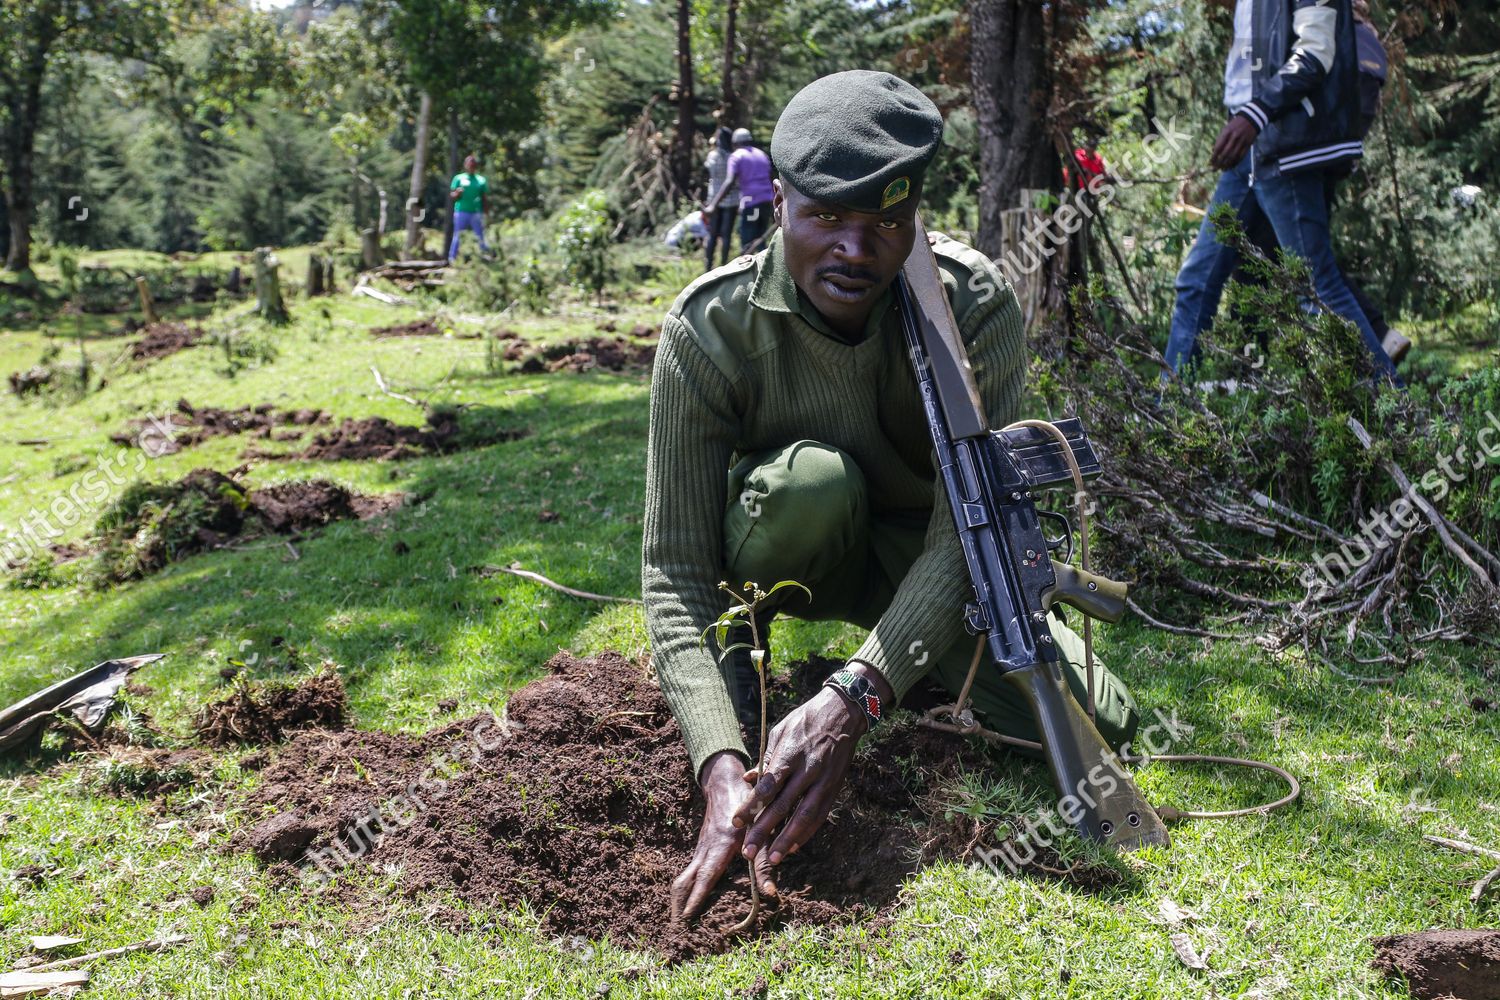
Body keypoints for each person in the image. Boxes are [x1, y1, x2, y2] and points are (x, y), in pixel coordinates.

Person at [643, 70, 1143, 921]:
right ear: (780, 205)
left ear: (914, 222)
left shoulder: (969, 302)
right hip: (797, 547)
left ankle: (881, 670)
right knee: (810, 486)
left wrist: (857, 695)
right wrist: (721, 760)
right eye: (827, 217)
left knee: (1101, 727)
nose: (855, 248)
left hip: (932, 566)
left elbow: (964, 536)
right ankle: (761, 688)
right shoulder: (710, 328)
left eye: (885, 222)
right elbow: (676, 569)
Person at [1164, 0, 1401, 385]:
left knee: (1317, 288)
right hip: (1250, 150)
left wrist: (1254, 114)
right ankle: (1166, 413)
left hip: (1286, 149)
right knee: (1197, 280)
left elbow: (1314, 53)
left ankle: (1398, 412)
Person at [1235, 0, 1410, 365]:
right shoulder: (1367, 42)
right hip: (1324, 153)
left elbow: (1313, 73)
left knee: (1297, 265)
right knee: (1308, 259)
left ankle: (1254, 362)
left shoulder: (1336, 33)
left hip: (1298, 153)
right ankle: (1374, 341)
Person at [704, 127, 774, 256]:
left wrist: (713, 205)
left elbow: (729, 181)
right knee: (760, 238)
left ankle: (748, 272)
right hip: (767, 202)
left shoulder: (736, 156)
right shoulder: (761, 154)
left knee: (748, 240)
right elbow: (770, 178)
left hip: (753, 204)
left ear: (735, 143)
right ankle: (765, 270)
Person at [703, 126, 739, 271]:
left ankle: (708, 266)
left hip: (713, 198)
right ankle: (723, 265)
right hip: (731, 199)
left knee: (712, 235)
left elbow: (706, 170)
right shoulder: (732, 157)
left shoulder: (712, 156)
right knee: (726, 235)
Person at [448, 153, 492, 262]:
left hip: (476, 212)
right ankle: (452, 259)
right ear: (465, 165)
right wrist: (457, 193)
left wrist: (487, 213)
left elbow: (484, 198)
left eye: (473, 165)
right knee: (457, 235)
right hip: (461, 211)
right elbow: (452, 195)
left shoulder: (481, 180)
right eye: (469, 165)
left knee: (480, 235)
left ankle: (484, 257)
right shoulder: (458, 178)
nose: (471, 167)